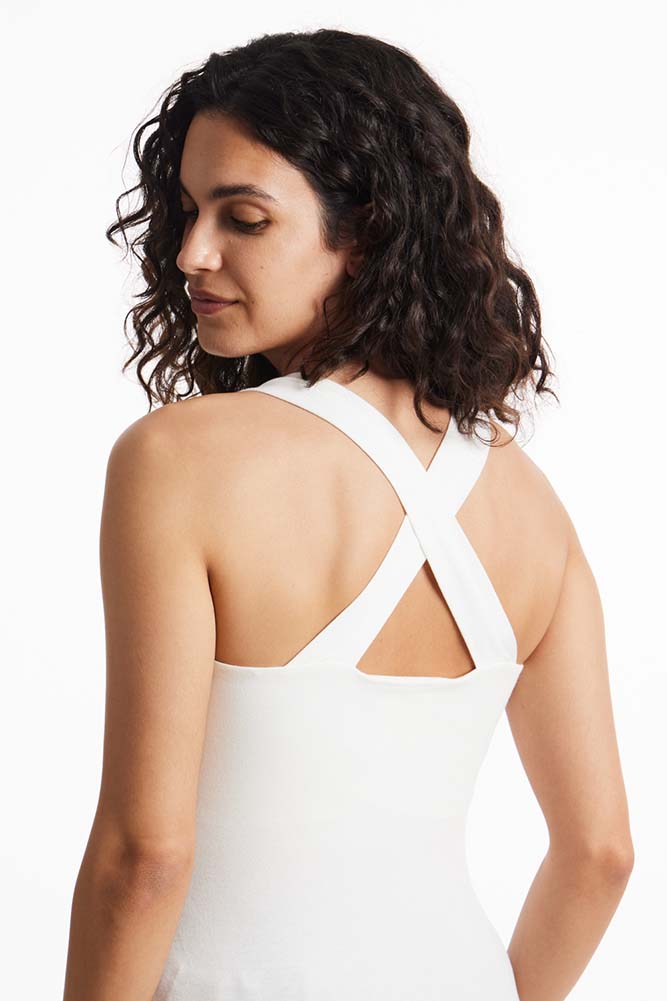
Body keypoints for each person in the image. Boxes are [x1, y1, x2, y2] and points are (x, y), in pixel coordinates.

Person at [63, 28, 634, 1001]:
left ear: (367, 228)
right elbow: (599, 853)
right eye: (188, 211)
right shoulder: (529, 503)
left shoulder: (179, 460)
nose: (192, 251)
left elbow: (144, 854)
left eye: (244, 218)